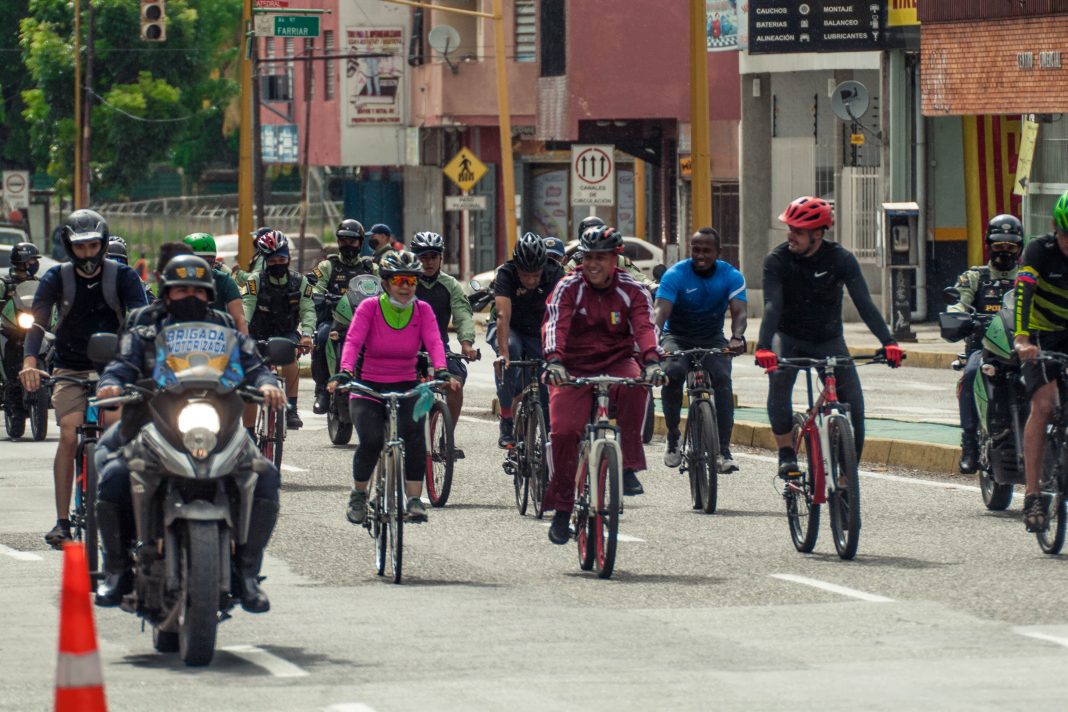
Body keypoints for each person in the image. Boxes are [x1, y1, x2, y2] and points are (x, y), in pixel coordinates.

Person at [93, 255, 285, 611]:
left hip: (217, 427)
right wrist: (110, 385)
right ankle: (117, 571)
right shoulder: (144, 330)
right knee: (115, 474)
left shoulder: (227, 332)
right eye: (181, 289)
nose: (190, 296)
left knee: (266, 476)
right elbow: (121, 365)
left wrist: (269, 385)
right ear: (166, 294)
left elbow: (255, 366)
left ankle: (246, 573)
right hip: (151, 421)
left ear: (209, 294)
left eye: (197, 290)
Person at [19, 209, 149, 548]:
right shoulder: (55, 278)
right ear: (68, 246)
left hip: (116, 370)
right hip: (70, 369)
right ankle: (62, 521)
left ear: (103, 244)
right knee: (67, 436)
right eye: (81, 247)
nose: (87, 254)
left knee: (116, 432)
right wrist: (30, 361)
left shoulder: (124, 277)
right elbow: (37, 324)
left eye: (93, 245)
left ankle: (124, 514)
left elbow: (140, 324)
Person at [754, 196, 903, 478]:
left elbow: (864, 304)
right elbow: (772, 305)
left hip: (828, 339)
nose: (790, 235)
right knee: (779, 379)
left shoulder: (841, 259)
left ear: (818, 234)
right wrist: (763, 347)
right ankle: (786, 453)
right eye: (790, 228)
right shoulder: (777, 260)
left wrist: (889, 342)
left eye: (797, 230)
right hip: (789, 337)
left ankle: (847, 478)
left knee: (854, 407)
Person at [543, 225, 665, 543]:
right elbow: (556, 322)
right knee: (565, 432)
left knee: (637, 385)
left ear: (616, 259)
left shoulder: (633, 289)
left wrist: (652, 361)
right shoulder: (568, 287)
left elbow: (644, 326)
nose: (594, 264)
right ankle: (561, 509)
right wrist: (554, 361)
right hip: (571, 367)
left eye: (602, 257)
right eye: (589, 258)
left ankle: (628, 466)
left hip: (616, 361)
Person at [328, 250, 458, 523]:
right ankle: (359, 495)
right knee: (372, 440)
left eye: (411, 281)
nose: (405, 286)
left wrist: (442, 370)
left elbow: (434, 342)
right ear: (385, 282)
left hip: (407, 384)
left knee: (414, 437)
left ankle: (413, 500)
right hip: (368, 386)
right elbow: (352, 342)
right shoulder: (369, 308)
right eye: (399, 280)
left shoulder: (422, 310)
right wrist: (344, 372)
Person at [656, 227, 747, 474]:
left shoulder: (731, 276)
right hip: (677, 337)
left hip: (712, 338)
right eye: (696, 250)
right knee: (673, 373)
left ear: (718, 252)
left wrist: (737, 338)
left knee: (722, 379)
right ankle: (674, 436)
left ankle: (723, 450)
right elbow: (660, 313)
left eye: (707, 250)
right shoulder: (676, 275)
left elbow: (739, 312)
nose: (700, 255)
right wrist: (653, 343)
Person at [948, 214, 1022, 474]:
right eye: (999, 246)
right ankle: (969, 443)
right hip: (985, 350)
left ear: (1019, 248)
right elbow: (960, 300)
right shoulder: (975, 277)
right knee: (970, 373)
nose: (1004, 252)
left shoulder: (1027, 278)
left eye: (1010, 247)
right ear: (989, 245)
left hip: (1021, 348)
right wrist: (959, 313)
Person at [1013, 190, 1068, 532]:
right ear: (1055, 229)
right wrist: (1021, 338)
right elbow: (1023, 291)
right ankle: (1033, 493)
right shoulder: (1039, 250)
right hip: (1040, 336)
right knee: (1044, 406)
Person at [491, 232, 564, 447]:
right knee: (509, 355)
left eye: (536, 275)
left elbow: (561, 315)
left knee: (547, 381)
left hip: (540, 330)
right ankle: (506, 418)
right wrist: (503, 354)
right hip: (511, 328)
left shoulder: (556, 273)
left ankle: (549, 433)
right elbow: (503, 316)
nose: (531, 280)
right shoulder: (506, 273)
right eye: (526, 275)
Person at [242, 230, 315, 429]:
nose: (277, 264)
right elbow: (246, 307)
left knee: (290, 356)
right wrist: (243, 332)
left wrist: (307, 335)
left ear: (288, 258)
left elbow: (308, 310)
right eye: (272, 260)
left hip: (287, 333)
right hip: (257, 333)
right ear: (265, 260)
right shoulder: (254, 281)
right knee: (250, 373)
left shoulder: (300, 282)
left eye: (281, 258)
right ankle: (248, 430)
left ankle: (291, 408)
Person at [410, 231, 478, 447]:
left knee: (455, 383)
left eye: (433, 256)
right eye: (423, 257)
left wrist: (467, 344)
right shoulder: (406, 281)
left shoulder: (450, 285)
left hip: (439, 348)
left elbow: (462, 314)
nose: (428, 262)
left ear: (441, 258)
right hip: (406, 349)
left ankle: (446, 438)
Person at [310, 219, 375, 414]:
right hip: (334, 320)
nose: (348, 245)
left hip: (365, 323)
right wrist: (319, 294)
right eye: (343, 240)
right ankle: (322, 390)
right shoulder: (327, 266)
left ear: (360, 243)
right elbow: (315, 286)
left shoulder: (371, 268)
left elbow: (384, 289)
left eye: (352, 241)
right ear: (338, 242)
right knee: (321, 336)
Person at [1, 243, 41, 422]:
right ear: (23, 262)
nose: (34, 262)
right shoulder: (4, 283)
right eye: (32, 259)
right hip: (12, 329)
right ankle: (12, 402)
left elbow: (51, 302)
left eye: (35, 260)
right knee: (9, 363)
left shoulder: (39, 283)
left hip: (35, 328)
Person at [182, 232, 249, 334]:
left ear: (214, 261)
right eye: (196, 262)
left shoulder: (224, 280)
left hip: (218, 338)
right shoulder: (175, 281)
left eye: (207, 261)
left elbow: (239, 319)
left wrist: (246, 346)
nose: (202, 267)